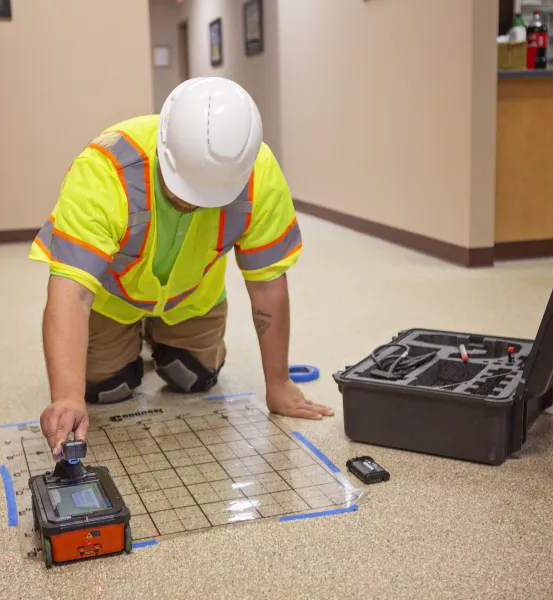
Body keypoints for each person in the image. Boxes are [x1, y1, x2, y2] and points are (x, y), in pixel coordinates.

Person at [29, 77, 333, 456]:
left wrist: (278, 383)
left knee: (193, 378)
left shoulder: (260, 173)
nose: (192, 203)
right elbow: (70, 292)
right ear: (164, 146)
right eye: (183, 188)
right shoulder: (104, 171)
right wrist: (67, 397)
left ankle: (161, 340)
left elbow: (268, 284)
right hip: (112, 298)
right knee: (107, 391)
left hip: (192, 297)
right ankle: (128, 343)